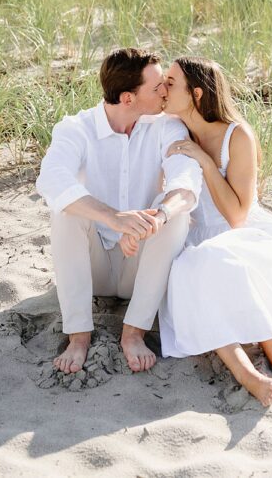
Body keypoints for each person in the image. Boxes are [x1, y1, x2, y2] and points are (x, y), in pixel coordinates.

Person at [148, 57, 272, 407]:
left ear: (196, 93)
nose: (162, 89)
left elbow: (237, 215)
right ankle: (247, 374)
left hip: (242, 237)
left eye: (171, 82)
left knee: (216, 259)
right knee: (191, 270)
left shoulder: (236, 135)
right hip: (197, 239)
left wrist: (207, 162)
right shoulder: (173, 127)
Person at [36, 48, 201, 375]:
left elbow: (186, 177)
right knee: (66, 210)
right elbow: (51, 180)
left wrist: (156, 218)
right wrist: (114, 218)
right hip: (93, 267)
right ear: (128, 98)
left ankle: (134, 332)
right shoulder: (76, 129)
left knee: (177, 212)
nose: (165, 92)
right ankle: (78, 337)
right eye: (156, 88)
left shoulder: (165, 126)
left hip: (140, 266)